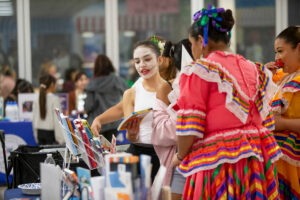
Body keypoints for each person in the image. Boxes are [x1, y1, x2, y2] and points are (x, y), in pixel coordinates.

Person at [172, 5, 282, 199]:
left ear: (201, 40)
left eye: (192, 44)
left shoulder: (199, 71)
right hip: (255, 162)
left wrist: (180, 156)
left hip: (218, 164)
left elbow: (189, 127)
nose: (193, 50)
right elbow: (266, 120)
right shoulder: (255, 69)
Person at [151, 39, 193, 199]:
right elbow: (159, 131)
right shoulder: (167, 88)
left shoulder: (214, 84)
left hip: (209, 162)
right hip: (176, 164)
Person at [122, 40, 165, 182]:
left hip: (165, 155)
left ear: (159, 60)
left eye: (147, 59)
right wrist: (132, 135)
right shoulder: (130, 93)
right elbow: (130, 136)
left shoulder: (173, 90)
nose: (142, 65)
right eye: (137, 61)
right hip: (137, 155)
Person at [267, 26, 300, 199]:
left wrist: (283, 124)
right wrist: (264, 80)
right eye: (275, 52)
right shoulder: (280, 78)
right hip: (279, 164)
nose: (277, 58)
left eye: (280, 51)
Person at [84, 54, 129, 142]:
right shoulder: (117, 80)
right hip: (114, 122)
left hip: (97, 124)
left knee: (98, 152)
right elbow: (129, 94)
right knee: (111, 149)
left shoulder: (92, 84)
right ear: (110, 65)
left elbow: (88, 106)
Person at [33, 74, 65, 145]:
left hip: (39, 133)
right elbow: (58, 120)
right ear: (52, 84)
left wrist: (36, 135)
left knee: (42, 155)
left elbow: (34, 119)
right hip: (51, 135)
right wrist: (61, 139)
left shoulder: (36, 98)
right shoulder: (55, 99)